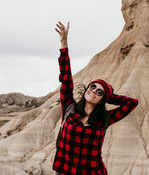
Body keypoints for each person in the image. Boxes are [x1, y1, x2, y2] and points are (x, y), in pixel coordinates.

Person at [53, 21, 139, 175]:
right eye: (93, 87)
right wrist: (64, 44)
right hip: (66, 171)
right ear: (87, 88)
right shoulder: (69, 109)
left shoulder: (105, 119)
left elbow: (131, 103)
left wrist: (109, 96)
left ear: (103, 99)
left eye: (100, 92)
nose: (94, 91)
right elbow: (66, 78)